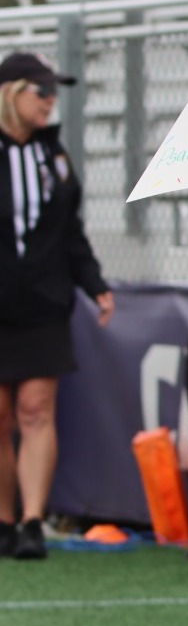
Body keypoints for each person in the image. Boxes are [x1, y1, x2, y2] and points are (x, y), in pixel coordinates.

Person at [0, 51, 114, 561]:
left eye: (53, 93)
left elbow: (70, 233)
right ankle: (3, 519)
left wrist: (94, 284)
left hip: (44, 302)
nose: (49, 101)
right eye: (40, 91)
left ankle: (31, 522)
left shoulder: (54, 156)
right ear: (11, 93)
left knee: (35, 408)